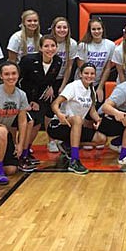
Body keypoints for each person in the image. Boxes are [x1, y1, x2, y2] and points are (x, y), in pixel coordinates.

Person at [48, 63, 107, 175]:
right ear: (80, 74)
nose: (89, 76)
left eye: (92, 74)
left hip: (76, 126)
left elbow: (92, 110)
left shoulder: (91, 90)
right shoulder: (73, 86)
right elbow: (55, 104)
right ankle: (74, 160)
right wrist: (60, 114)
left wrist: (98, 120)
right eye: (86, 73)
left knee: (102, 139)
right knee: (78, 119)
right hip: (59, 125)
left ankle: (66, 145)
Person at [18, 35, 62, 171]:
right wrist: (28, 101)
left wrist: (51, 88)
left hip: (40, 98)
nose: (50, 49)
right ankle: (20, 156)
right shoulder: (28, 60)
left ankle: (26, 151)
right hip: (24, 97)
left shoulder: (58, 61)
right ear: (40, 48)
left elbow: (51, 79)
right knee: (29, 124)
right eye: (46, 46)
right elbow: (17, 81)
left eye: (53, 46)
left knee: (37, 124)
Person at [47, 16, 78, 152]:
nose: (62, 30)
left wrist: (63, 85)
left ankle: (60, 136)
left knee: (62, 109)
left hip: (62, 79)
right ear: (54, 28)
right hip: (48, 79)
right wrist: (48, 85)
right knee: (48, 111)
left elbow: (69, 67)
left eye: (64, 27)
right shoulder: (48, 41)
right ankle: (50, 140)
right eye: (59, 27)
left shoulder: (71, 44)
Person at [77, 16, 115, 101]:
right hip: (82, 82)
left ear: (103, 29)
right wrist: (86, 87)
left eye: (99, 29)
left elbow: (107, 68)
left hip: (98, 83)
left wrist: (100, 87)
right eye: (93, 29)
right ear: (89, 31)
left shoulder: (110, 45)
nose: (96, 31)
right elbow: (81, 68)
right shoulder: (83, 45)